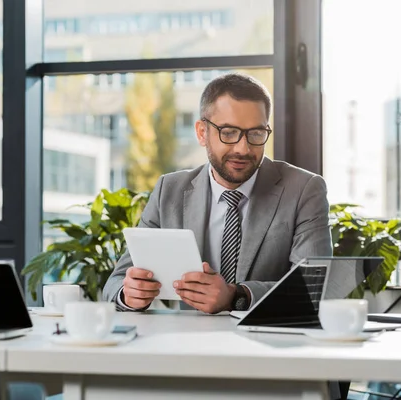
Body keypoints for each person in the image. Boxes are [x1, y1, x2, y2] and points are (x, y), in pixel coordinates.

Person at [102, 72, 332, 314]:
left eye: (255, 134)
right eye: (229, 133)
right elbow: (115, 284)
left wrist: (237, 296)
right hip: (188, 343)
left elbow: (314, 289)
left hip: (268, 343)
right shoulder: (168, 190)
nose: (243, 149)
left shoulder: (304, 190)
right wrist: (130, 294)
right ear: (202, 132)